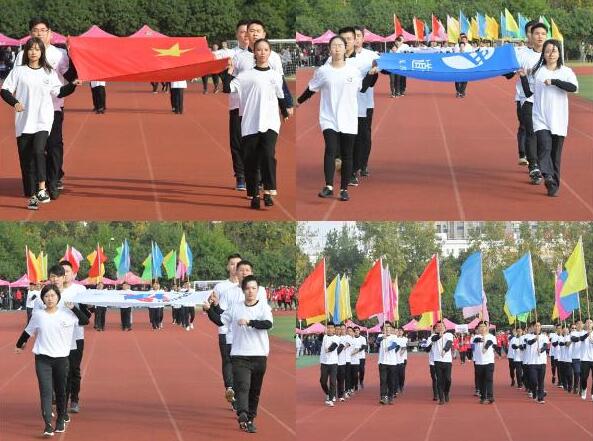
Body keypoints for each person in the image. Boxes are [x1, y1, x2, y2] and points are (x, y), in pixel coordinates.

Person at [297, 35, 378, 202]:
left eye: (340, 45)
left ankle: (343, 189)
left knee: (347, 154)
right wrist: (298, 101)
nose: (337, 48)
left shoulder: (353, 72)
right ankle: (328, 186)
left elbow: (363, 88)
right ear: (329, 49)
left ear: (345, 48)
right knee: (331, 149)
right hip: (329, 117)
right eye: (334, 45)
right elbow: (311, 88)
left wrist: (372, 74)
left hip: (349, 118)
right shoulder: (323, 71)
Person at [1, 36, 78, 209]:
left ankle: (42, 189)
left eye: (37, 49)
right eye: (30, 49)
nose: (33, 52)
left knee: (38, 150)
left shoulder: (48, 72)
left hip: (43, 119)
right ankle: (33, 196)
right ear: (26, 52)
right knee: (27, 160)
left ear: (42, 52)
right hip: (24, 122)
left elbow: (59, 92)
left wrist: (73, 84)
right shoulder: (18, 71)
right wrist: (15, 103)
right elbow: (5, 90)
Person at [223, 38, 290, 209]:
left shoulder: (275, 75)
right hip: (250, 123)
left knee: (268, 155)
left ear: (270, 52)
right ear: (254, 52)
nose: (262, 53)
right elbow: (227, 88)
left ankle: (268, 191)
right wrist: (228, 71)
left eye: (266, 50)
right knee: (251, 160)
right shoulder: (245, 76)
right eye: (259, 50)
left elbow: (280, 95)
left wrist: (284, 111)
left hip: (270, 121)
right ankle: (254, 194)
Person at [15, 284, 90, 437]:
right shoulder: (38, 315)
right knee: (46, 391)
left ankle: (61, 418)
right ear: (43, 298)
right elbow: (27, 331)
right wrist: (19, 345)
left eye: (52, 296)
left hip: (62, 359)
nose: (50, 299)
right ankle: (48, 424)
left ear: (58, 297)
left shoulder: (67, 314)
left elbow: (85, 321)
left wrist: (73, 308)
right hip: (42, 359)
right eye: (46, 296)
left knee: (61, 391)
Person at [203, 275, 272, 433]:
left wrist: (250, 322)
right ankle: (242, 414)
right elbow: (220, 321)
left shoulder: (263, 307)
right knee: (242, 386)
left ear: (258, 290)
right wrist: (209, 309)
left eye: (253, 288)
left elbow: (267, 324)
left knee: (255, 391)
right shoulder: (235, 307)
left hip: (259, 355)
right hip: (239, 354)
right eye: (247, 288)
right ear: (243, 290)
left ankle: (250, 419)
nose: (250, 291)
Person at [520, 38, 578, 197]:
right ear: (543, 54)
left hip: (559, 119)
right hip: (540, 118)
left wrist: (554, 81)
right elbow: (529, 93)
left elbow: (573, 87)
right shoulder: (538, 72)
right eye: (547, 51)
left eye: (554, 51)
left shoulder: (566, 72)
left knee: (555, 155)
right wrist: (523, 78)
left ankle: (553, 184)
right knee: (544, 147)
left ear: (559, 53)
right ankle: (547, 176)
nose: (551, 54)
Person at [429, 321, 453, 405]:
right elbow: (433, 339)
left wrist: (445, 350)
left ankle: (446, 392)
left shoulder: (449, 335)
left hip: (447, 361)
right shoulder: (434, 336)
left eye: (442, 326)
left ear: (445, 328)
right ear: (436, 328)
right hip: (437, 361)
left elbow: (449, 343)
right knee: (439, 379)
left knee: (448, 379)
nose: (440, 327)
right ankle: (441, 398)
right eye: (438, 326)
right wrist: (439, 335)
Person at [524, 321, 549, 403]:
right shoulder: (528, 336)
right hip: (532, 362)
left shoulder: (545, 336)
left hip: (542, 361)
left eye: (539, 326)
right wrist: (535, 339)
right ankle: (534, 391)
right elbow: (529, 342)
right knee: (533, 380)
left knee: (541, 381)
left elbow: (546, 346)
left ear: (540, 327)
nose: (537, 327)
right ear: (533, 327)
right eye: (536, 326)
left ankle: (541, 398)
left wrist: (541, 350)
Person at [473, 321, 497, 404]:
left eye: (484, 326)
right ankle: (483, 397)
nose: (482, 328)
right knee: (481, 380)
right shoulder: (476, 337)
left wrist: (486, 347)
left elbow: (490, 342)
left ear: (487, 327)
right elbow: (475, 341)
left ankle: (490, 396)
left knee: (489, 379)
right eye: (481, 326)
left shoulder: (491, 336)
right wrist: (481, 339)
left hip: (489, 362)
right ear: (478, 328)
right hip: (479, 362)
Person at [318, 323, 339, 406]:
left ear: (334, 329)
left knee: (332, 381)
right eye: (328, 327)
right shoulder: (324, 336)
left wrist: (329, 349)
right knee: (322, 381)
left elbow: (334, 346)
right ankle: (328, 393)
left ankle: (330, 399)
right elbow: (319, 338)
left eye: (331, 328)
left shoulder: (336, 338)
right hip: (324, 363)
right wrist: (323, 333)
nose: (330, 329)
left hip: (333, 363)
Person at [579, 319, 593, 400]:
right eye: (587, 322)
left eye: (590, 323)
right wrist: (587, 334)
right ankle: (584, 389)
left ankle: (592, 393)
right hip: (585, 359)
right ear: (585, 324)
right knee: (584, 377)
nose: (589, 324)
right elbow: (581, 339)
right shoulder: (582, 332)